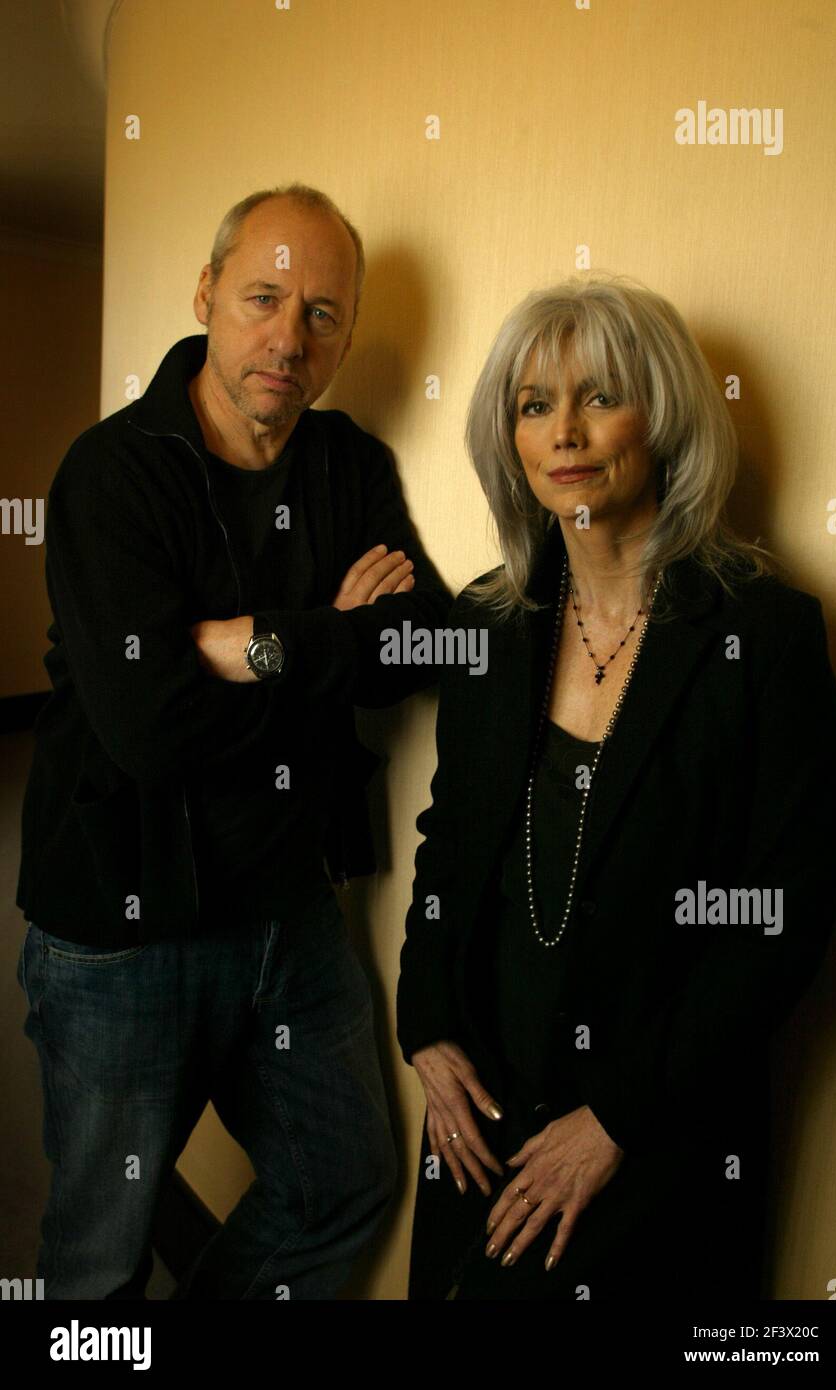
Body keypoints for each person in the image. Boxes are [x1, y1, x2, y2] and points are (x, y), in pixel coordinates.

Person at [16, 183, 452, 1299]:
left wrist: (237, 644)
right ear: (207, 290)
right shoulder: (110, 474)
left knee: (342, 1185)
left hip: (287, 908)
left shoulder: (345, 463)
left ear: (346, 334)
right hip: (122, 921)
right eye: (263, 295)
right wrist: (325, 638)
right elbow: (147, 727)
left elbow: (423, 645)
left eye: (321, 314)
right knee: (98, 1251)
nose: (287, 336)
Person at [396, 276, 836, 1301]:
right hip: (482, 1115)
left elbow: (781, 916)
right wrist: (422, 1026)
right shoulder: (487, 625)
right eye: (532, 404)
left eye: (599, 395)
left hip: (658, 1130)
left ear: (664, 416)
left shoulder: (766, 637)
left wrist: (617, 1120)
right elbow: (445, 847)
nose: (565, 431)